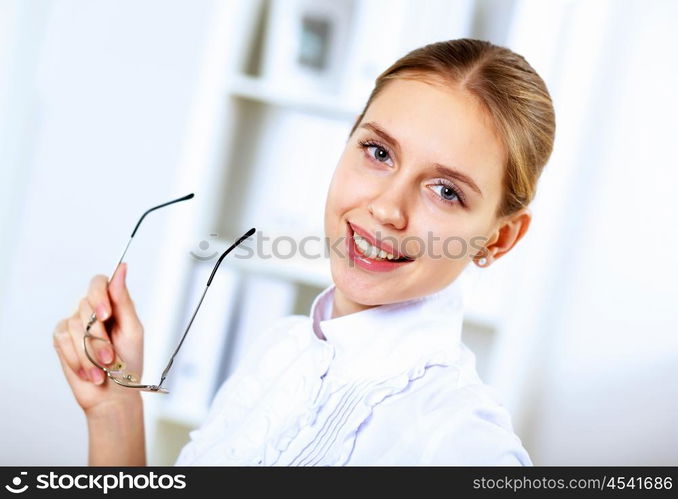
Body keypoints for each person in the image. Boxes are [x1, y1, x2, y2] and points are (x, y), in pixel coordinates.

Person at [52, 38, 556, 466]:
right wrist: (116, 410)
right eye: (379, 153)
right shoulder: (281, 351)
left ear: (499, 238)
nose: (386, 209)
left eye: (446, 191)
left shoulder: (461, 444)